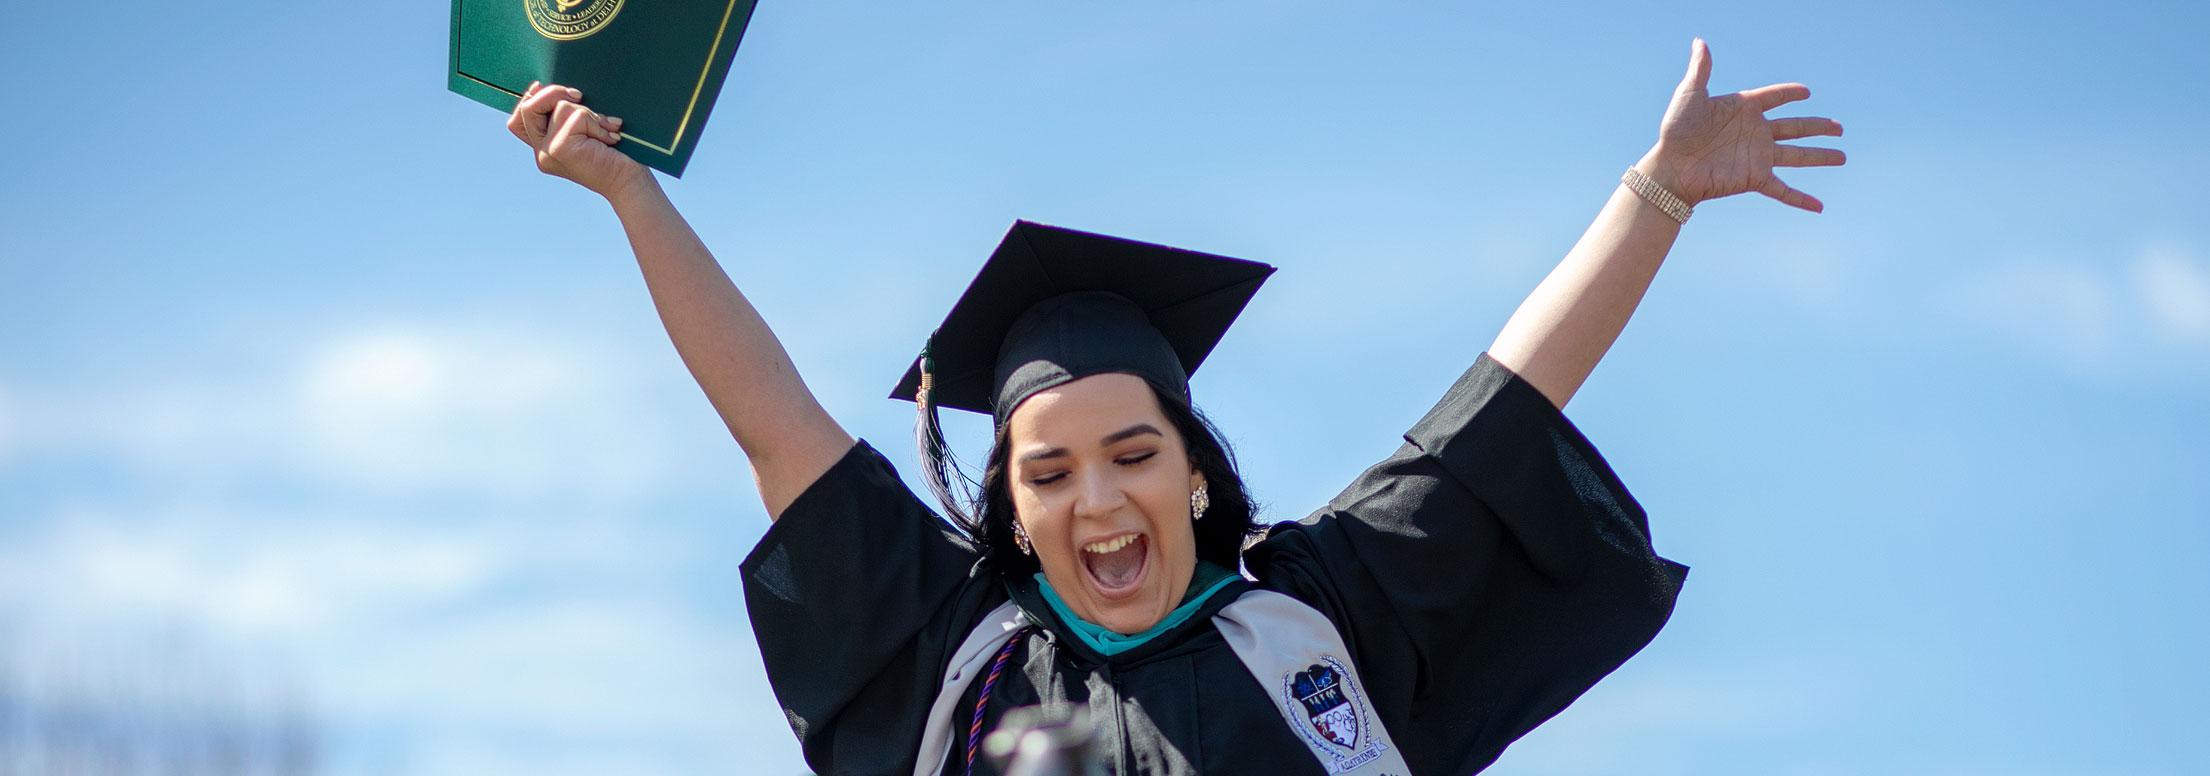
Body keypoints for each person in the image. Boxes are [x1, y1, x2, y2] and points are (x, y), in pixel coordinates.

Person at [503, 38, 1843, 776]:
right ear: (1012, 512)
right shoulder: (953, 664)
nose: (1095, 498)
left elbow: (1505, 398)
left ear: (1195, 473)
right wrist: (632, 194)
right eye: (1048, 472)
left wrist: (1653, 196)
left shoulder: (1319, 618)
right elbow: (776, 423)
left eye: (1131, 454)